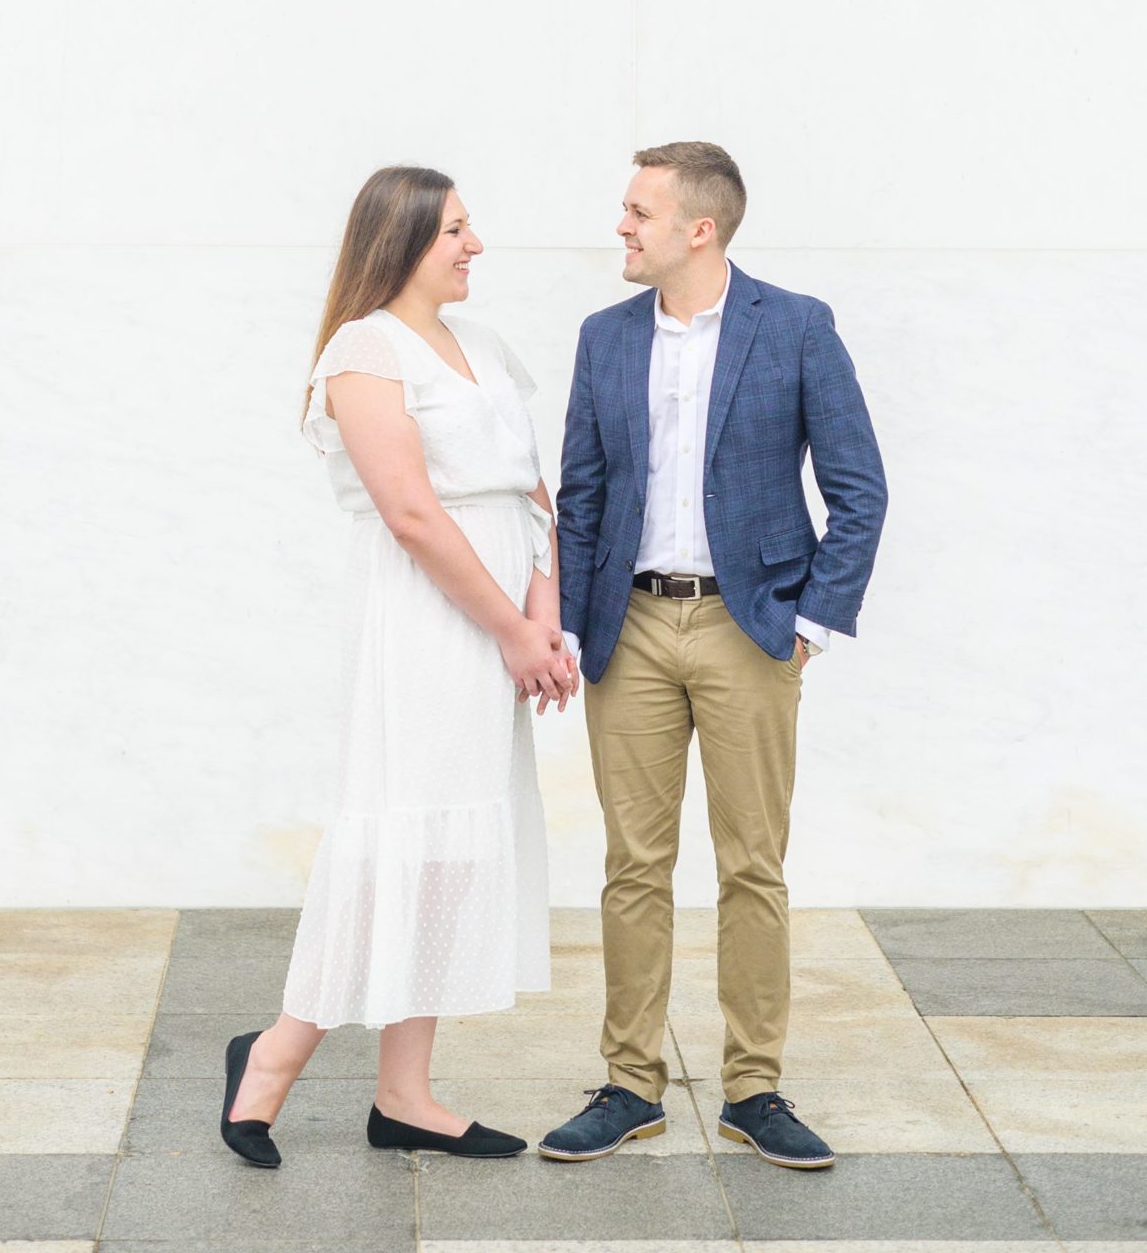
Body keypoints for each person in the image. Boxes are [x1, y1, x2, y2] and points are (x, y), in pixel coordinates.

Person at [540, 141, 887, 1173]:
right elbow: (582, 493)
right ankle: (629, 1083)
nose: (619, 225)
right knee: (632, 867)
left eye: (636, 210)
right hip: (630, 629)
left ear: (700, 227)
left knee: (751, 866)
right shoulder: (602, 338)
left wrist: (810, 621)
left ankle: (754, 1088)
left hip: (750, 629)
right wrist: (567, 622)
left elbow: (858, 486)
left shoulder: (793, 327)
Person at [221, 164, 576, 1169]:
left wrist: (541, 617)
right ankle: (274, 1056)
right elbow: (412, 513)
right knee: (404, 832)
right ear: (404, 238)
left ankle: (404, 1092)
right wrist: (510, 629)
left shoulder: (484, 344)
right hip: (429, 619)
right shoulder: (362, 350)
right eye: (455, 229)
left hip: (502, 605)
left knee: (452, 846)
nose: (474, 246)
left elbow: (532, 491)